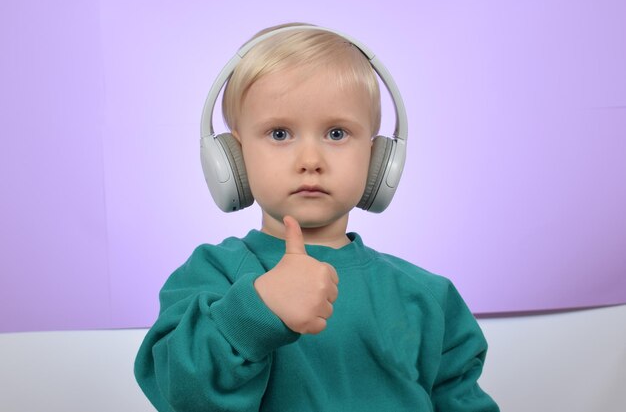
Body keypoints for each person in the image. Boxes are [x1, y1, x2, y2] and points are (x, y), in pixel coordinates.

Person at [134, 23, 499, 412]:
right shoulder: (211, 277)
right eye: (279, 134)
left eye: (337, 134)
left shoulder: (428, 297)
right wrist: (255, 312)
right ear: (235, 157)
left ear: (377, 159)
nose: (310, 161)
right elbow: (180, 393)